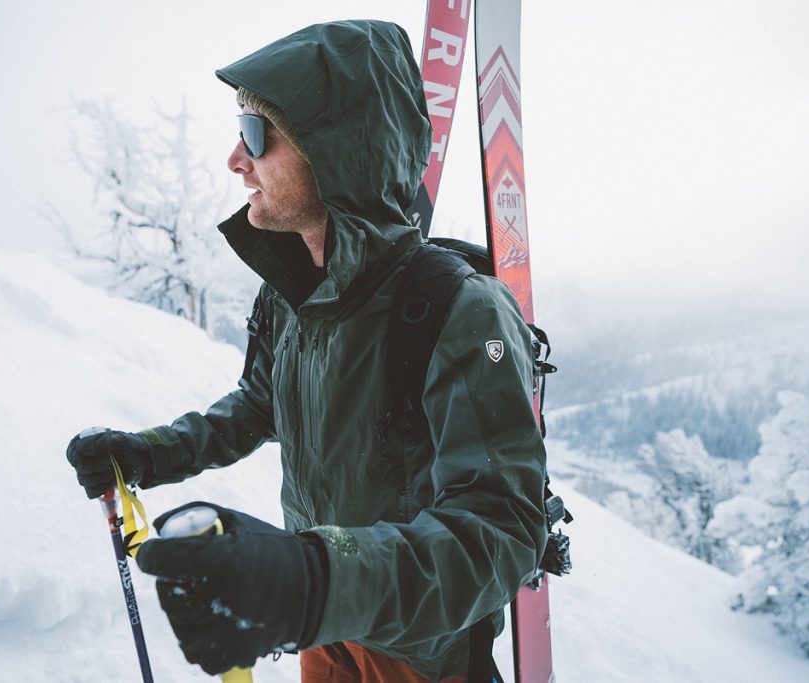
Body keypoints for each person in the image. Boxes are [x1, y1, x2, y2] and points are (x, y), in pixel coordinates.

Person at [67, 19, 547, 683]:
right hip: (324, 628)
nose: (236, 159)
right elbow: (263, 401)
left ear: (338, 149)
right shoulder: (291, 296)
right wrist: (151, 452)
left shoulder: (456, 308)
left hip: (414, 651)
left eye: (258, 135)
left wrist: (316, 577)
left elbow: (502, 530)